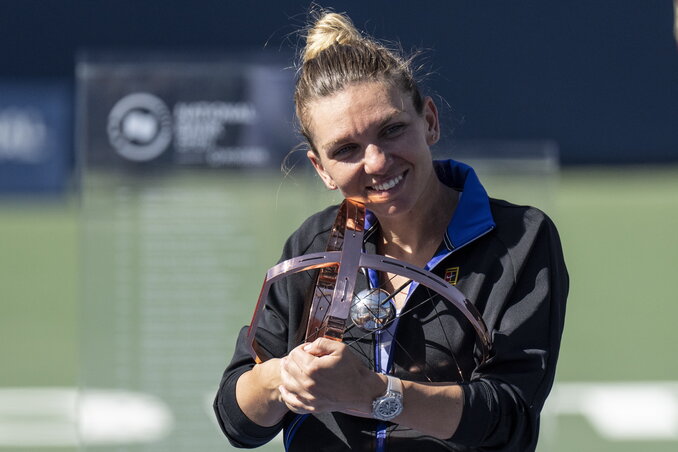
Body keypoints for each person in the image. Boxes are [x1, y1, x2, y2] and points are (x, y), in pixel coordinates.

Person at [214, 10, 568, 452]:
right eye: (346, 149)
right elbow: (237, 421)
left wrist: (376, 394)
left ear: (430, 122)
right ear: (321, 169)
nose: (377, 162)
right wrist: (283, 377)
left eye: (392, 129)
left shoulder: (519, 238)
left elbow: (509, 422)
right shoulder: (313, 244)